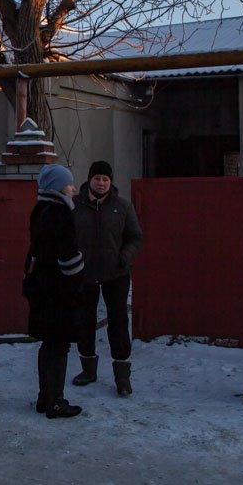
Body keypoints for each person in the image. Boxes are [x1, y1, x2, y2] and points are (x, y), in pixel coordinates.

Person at [71, 160, 143, 396]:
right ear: (89, 180)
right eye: (97, 178)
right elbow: (66, 236)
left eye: (105, 179)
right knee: (84, 320)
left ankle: (122, 376)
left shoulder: (122, 206)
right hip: (84, 273)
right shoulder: (75, 205)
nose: (101, 183)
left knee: (118, 321)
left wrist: (124, 258)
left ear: (111, 182)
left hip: (116, 273)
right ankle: (87, 369)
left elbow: (135, 237)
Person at [23, 163, 86, 419]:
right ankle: (56, 401)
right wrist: (79, 274)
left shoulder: (40, 209)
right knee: (59, 344)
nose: (73, 188)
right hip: (58, 290)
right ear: (59, 187)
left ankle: (45, 397)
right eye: (69, 184)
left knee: (49, 343)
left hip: (41, 287)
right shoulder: (60, 212)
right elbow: (68, 256)